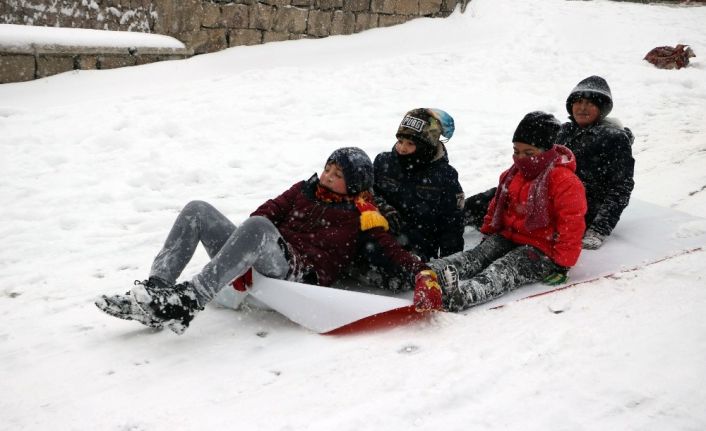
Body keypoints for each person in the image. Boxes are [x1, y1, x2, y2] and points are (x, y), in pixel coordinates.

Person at [96, 147, 444, 334]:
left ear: (353, 184)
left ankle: (190, 300)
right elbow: (263, 214)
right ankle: (157, 292)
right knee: (197, 209)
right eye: (327, 169)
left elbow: (391, 250)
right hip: (266, 253)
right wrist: (245, 252)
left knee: (261, 228)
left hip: (298, 272)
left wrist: (423, 273)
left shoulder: (363, 215)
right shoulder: (303, 189)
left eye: (337, 175)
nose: (327, 176)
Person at [430, 112, 587, 312]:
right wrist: (488, 233)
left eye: (528, 153)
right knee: (477, 256)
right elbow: (496, 206)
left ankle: (462, 295)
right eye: (516, 151)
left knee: (506, 269)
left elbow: (572, 224)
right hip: (510, 236)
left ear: (546, 151)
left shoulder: (564, 181)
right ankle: (427, 271)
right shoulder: (512, 174)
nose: (520, 158)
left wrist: (562, 264)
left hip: (542, 249)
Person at [464, 76, 635, 250]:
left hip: (575, 206)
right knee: (497, 196)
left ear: (602, 107)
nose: (582, 108)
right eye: (579, 101)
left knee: (519, 220)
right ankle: (450, 219)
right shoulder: (564, 130)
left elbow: (621, 187)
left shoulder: (614, 138)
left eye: (590, 103)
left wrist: (599, 229)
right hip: (543, 191)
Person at [354, 108, 465, 291]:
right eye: (400, 141)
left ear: (426, 146)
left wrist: (449, 263)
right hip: (381, 233)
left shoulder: (444, 176)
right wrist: (382, 207)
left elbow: (451, 224)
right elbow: (365, 194)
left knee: (396, 263)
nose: (402, 148)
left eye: (410, 143)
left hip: (417, 245)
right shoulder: (384, 162)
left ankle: (404, 277)